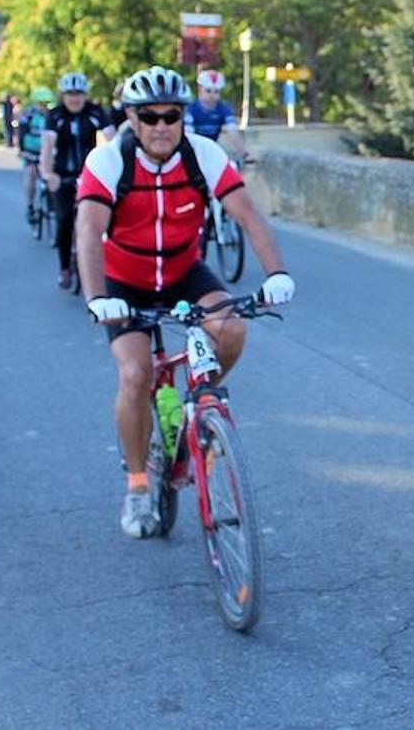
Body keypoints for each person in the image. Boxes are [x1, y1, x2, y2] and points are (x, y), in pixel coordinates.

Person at [76, 66, 295, 539]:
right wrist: (97, 299)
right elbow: (89, 234)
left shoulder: (204, 155)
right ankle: (137, 486)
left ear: (182, 116)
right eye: (149, 116)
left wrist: (276, 273)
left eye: (171, 115)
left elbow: (249, 216)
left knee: (233, 328)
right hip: (124, 281)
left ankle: (201, 411)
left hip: (181, 270)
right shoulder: (109, 162)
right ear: (132, 119)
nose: (161, 125)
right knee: (135, 374)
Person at [40, 72, 115, 288]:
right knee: (64, 220)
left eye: (79, 94)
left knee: (104, 221)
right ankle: (65, 267)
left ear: (85, 95)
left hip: (91, 176)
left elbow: (112, 141)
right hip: (62, 176)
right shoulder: (55, 115)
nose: (74, 99)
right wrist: (48, 174)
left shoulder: (95, 111)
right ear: (63, 95)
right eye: (70, 94)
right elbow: (47, 148)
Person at [186, 70, 250, 160]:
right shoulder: (190, 109)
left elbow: (232, 131)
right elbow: (188, 135)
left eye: (216, 91)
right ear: (200, 89)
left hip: (212, 150)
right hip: (193, 151)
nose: (212, 95)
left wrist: (244, 154)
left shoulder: (223, 108)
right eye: (208, 91)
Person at [17, 87, 54, 223]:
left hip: (48, 151)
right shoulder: (28, 115)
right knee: (30, 174)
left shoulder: (52, 116)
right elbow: (21, 133)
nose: (44, 107)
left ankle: (52, 203)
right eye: (41, 103)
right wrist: (22, 150)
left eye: (46, 103)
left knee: (52, 175)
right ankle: (30, 206)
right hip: (31, 151)